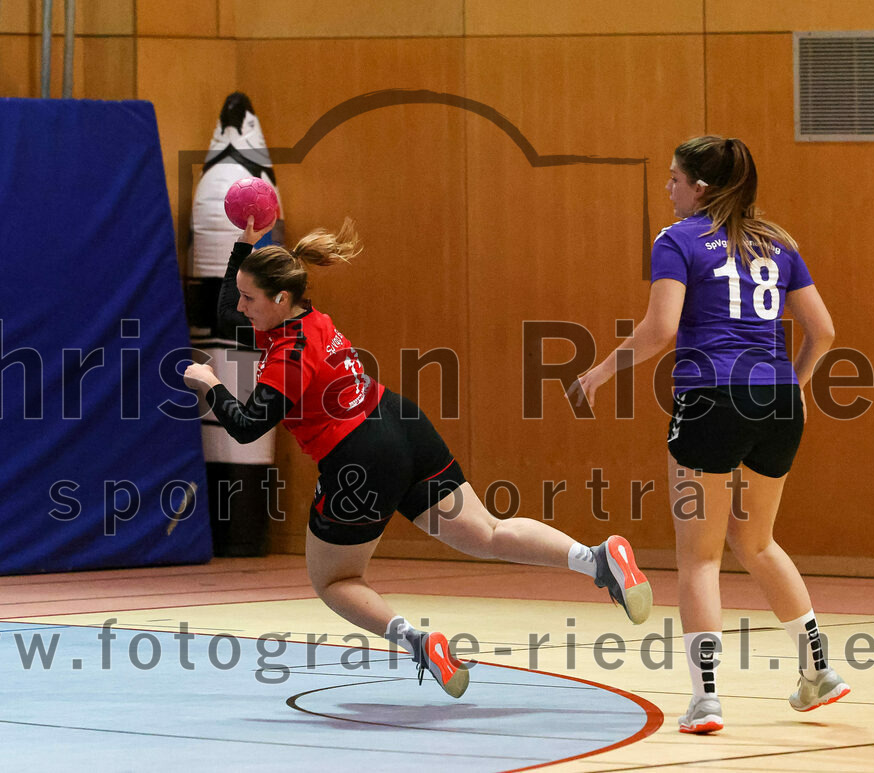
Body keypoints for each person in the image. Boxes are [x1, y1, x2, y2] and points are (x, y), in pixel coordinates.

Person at [183, 216, 653, 699]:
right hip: (400, 423)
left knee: (334, 579)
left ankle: (421, 643)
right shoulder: (308, 317)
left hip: (357, 460)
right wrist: (244, 242)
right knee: (485, 532)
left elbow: (246, 427)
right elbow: (227, 315)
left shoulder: (286, 355)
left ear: (279, 299)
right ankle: (595, 559)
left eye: (248, 299)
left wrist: (211, 384)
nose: (240, 307)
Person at [568, 136, 848, 733]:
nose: (666, 188)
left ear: (700, 187)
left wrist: (598, 372)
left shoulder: (677, 241)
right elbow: (822, 331)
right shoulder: (778, 243)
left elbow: (660, 327)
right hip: (777, 401)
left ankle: (707, 700)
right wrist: (791, 387)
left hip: (712, 400)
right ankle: (819, 670)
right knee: (759, 543)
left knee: (698, 558)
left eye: (674, 178)